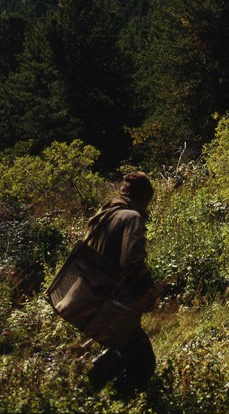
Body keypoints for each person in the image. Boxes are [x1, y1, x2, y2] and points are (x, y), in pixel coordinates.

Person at [84, 171, 160, 399]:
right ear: (144, 197)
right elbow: (131, 262)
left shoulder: (103, 215)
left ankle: (96, 393)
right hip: (114, 303)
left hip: (88, 299)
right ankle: (89, 391)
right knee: (144, 360)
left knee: (125, 351)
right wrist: (148, 293)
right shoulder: (131, 218)